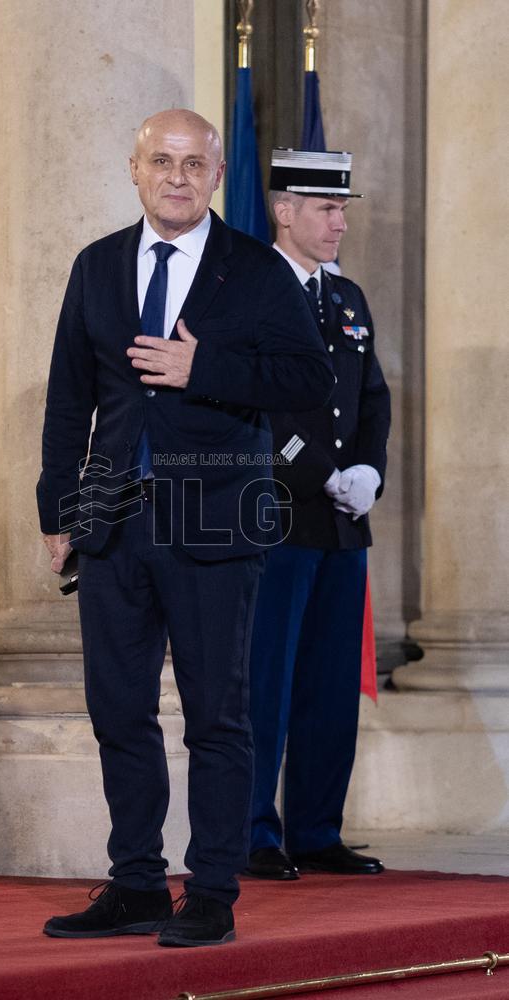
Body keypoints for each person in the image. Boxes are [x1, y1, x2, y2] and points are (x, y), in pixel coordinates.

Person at [36, 113, 334, 946]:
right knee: (118, 711)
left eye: (194, 163)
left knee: (216, 718)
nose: (177, 176)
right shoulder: (97, 265)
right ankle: (135, 885)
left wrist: (206, 368)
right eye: (161, 161)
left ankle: (209, 893)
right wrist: (58, 511)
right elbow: (68, 399)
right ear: (134, 170)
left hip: (216, 522)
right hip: (112, 525)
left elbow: (310, 380)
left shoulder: (256, 269)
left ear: (216, 176)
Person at [246, 149, 391, 882]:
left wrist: (368, 471)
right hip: (278, 515)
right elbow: (253, 403)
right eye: (327, 209)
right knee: (265, 681)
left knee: (332, 684)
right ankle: (251, 834)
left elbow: (372, 398)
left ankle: (315, 829)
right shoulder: (248, 292)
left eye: (342, 210)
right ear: (284, 210)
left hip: (342, 522)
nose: (340, 223)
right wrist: (319, 472)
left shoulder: (348, 297)